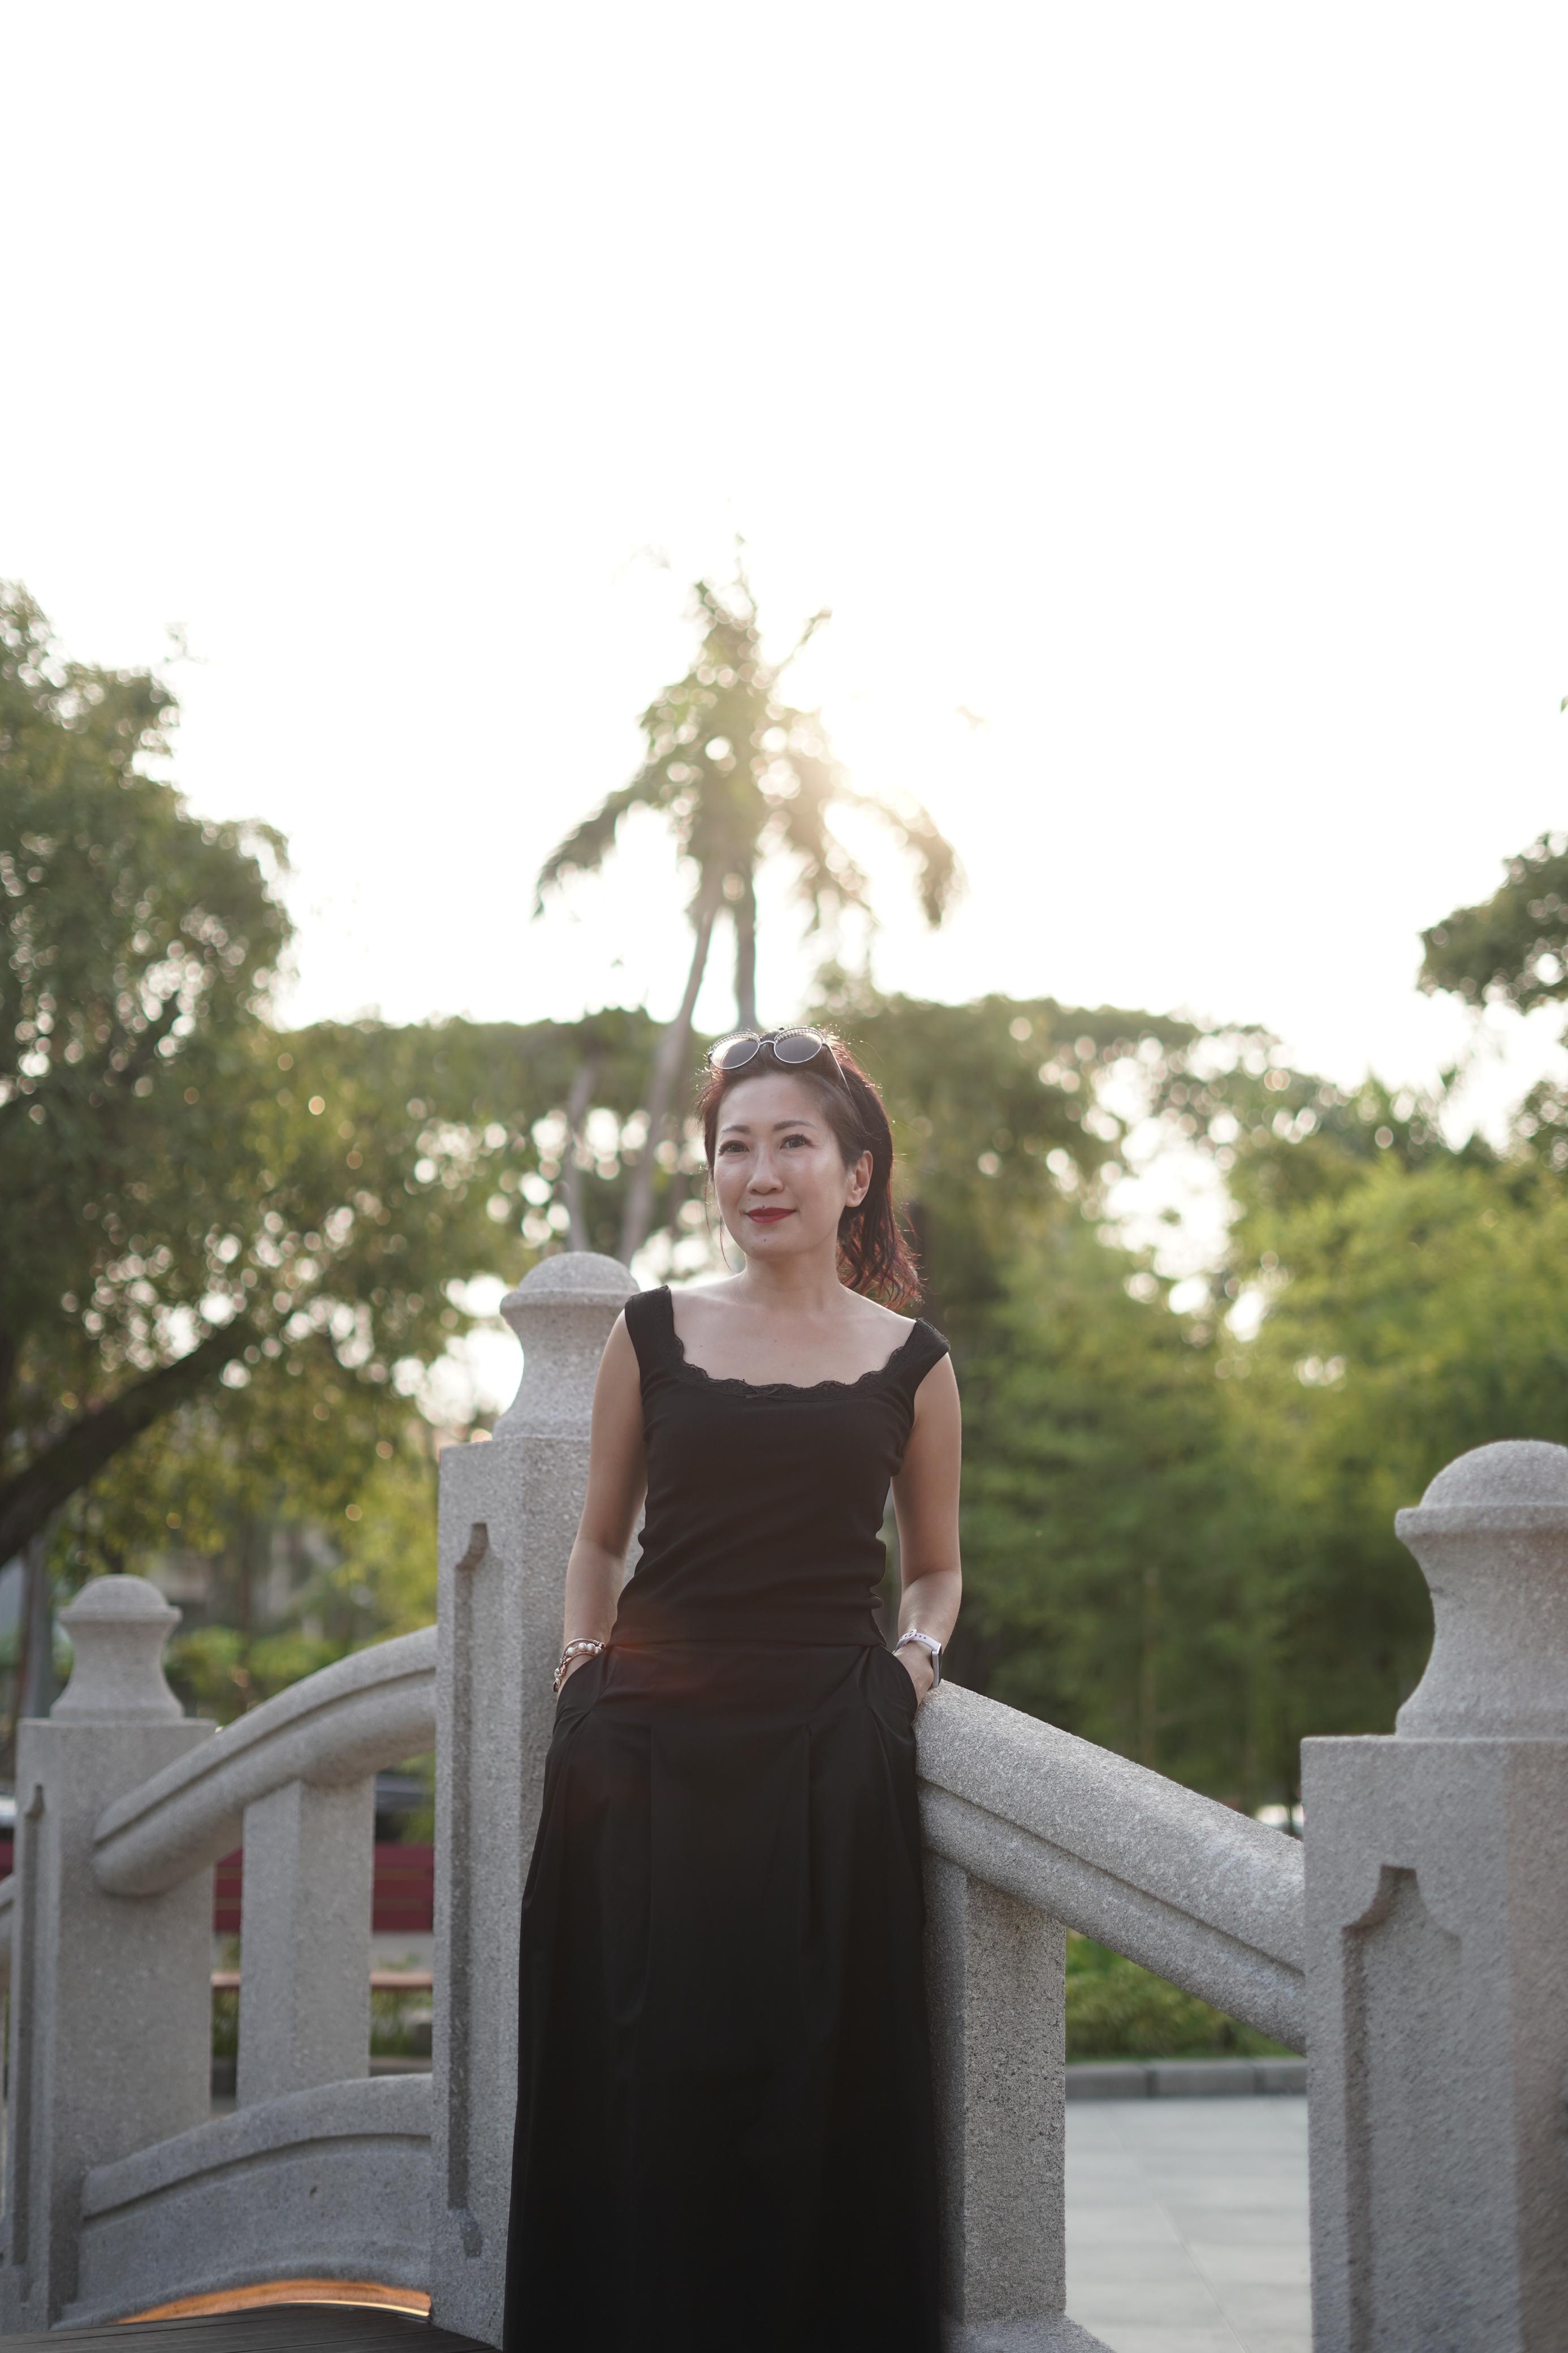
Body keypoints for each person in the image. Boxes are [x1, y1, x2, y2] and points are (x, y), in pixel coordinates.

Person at [502, 1027, 963, 2353]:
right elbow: (598, 1537)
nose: (759, 1172)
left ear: (856, 1173)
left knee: (812, 2095)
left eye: (792, 1143)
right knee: (640, 2091)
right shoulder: (649, 1332)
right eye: (733, 1147)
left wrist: (912, 1670)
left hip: (829, 1753)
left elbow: (934, 1571)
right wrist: (585, 1673)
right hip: (641, 1758)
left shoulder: (913, 1362)